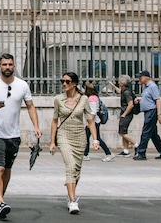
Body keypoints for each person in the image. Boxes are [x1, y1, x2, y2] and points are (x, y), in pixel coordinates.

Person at [0, 53, 42, 220]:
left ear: (14, 66)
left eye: (10, 64)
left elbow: (30, 106)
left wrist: (36, 126)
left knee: (7, 170)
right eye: (4, 64)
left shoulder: (22, 85)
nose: (7, 67)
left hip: (13, 136)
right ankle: (1, 202)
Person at [50, 72, 98, 215]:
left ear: (75, 83)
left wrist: (95, 139)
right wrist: (52, 142)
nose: (64, 84)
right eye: (62, 81)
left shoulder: (83, 99)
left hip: (79, 137)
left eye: (68, 81)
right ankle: (73, 201)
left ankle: (70, 193)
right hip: (64, 136)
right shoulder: (58, 99)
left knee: (76, 170)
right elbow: (54, 121)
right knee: (70, 166)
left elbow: (90, 121)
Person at [133, 70, 161, 160]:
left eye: (140, 77)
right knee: (153, 134)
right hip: (148, 111)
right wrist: (141, 100)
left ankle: (141, 152)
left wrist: (159, 114)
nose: (139, 79)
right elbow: (149, 99)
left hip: (151, 111)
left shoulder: (152, 86)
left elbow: (157, 100)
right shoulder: (147, 87)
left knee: (146, 132)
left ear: (146, 77)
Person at [82, 80, 114, 162]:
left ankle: (108, 153)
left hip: (94, 122)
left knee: (96, 138)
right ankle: (85, 154)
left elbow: (93, 112)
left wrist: (89, 122)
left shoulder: (92, 98)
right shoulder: (93, 97)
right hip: (94, 121)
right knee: (87, 137)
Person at [109, 75, 136, 156]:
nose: (118, 82)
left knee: (122, 133)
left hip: (126, 114)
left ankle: (136, 144)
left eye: (120, 81)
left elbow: (131, 104)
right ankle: (126, 150)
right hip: (125, 114)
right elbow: (119, 91)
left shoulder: (127, 92)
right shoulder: (124, 90)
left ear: (122, 83)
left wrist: (124, 114)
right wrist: (112, 85)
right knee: (123, 131)